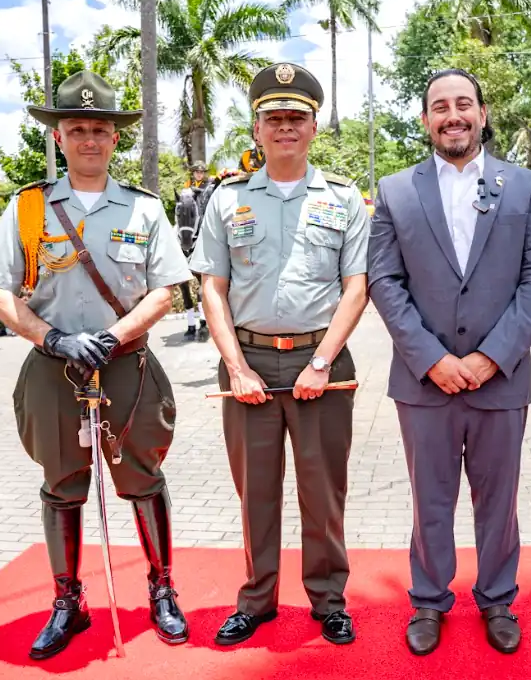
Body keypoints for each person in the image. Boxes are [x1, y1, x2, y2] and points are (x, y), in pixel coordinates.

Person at [0, 70, 192, 660]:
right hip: (54, 368)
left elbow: (166, 290)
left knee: (143, 477)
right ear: (59, 137)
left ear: (115, 138)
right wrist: (54, 339)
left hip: (127, 365)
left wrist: (113, 336)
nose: (89, 139)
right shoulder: (28, 207)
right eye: (76, 129)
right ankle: (68, 601)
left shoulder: (144, 208)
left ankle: (163, 589)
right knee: (62, 483)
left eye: (99, 129)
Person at [367, 68, 531, 656]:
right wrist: (431, 359)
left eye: (463, 104)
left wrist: (490, 357)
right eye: (440, 106)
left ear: (482, 112)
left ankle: (497, 597)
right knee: (430, 497)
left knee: (498, 500)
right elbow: (384, 280)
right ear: (426, 118)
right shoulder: (395, 191)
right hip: (424, 382)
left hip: (500, 379)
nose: (453, 115)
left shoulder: (525, 187)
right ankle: (429, 599)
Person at [189, 62, 369, 647]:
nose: (285, 127)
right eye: (274, 118)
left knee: (324, 493)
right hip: (250, 364)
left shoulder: (343, 198)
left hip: (322, 363)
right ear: (257, 129)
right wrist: (236, 368)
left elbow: (357, 286)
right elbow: (212, 287)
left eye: (296, 117)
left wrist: (321, 362)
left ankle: (329, 600)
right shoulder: (227, 199)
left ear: (314, 127)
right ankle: (257, 600)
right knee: (256, 493)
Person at [175, 167, 208, 341]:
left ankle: (203, 321)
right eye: (196, 172)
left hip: (200, 222)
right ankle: (190, 323)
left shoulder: (207, 186)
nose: (199, 174)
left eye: (201, 172)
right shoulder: (187, 186)